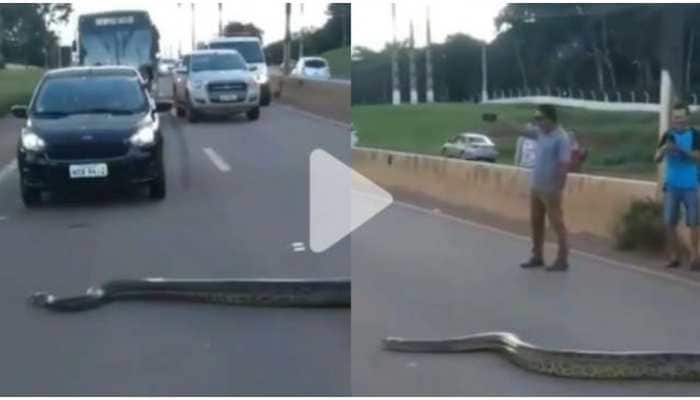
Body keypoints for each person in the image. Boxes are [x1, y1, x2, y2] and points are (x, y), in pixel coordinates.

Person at [520, 104, 571, 271]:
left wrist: (559, 186)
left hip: (551, 189)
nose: (538, 122)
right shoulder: (541, 134)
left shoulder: (561, 138)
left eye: (540, 118)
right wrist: (501, 120)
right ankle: (537, 256)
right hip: (537, 186)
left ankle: (562, 259)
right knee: (536, 222)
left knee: (557, 224)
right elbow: (523, 131)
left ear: (550, 118)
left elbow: (564, 164)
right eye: (536, 119)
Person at [654, 102, 700, 270]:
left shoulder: (695, 135)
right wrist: (664, 149)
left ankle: (695, 256)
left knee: (694, 222)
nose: (678, 120)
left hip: (690, 185)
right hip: (672, 185)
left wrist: (680, 149)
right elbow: (656, 158)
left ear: (687, 117)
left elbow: (698, 157)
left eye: (681, 117)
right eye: (675, 117)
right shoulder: (668, 135)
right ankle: (674, 256)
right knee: (669, 222)